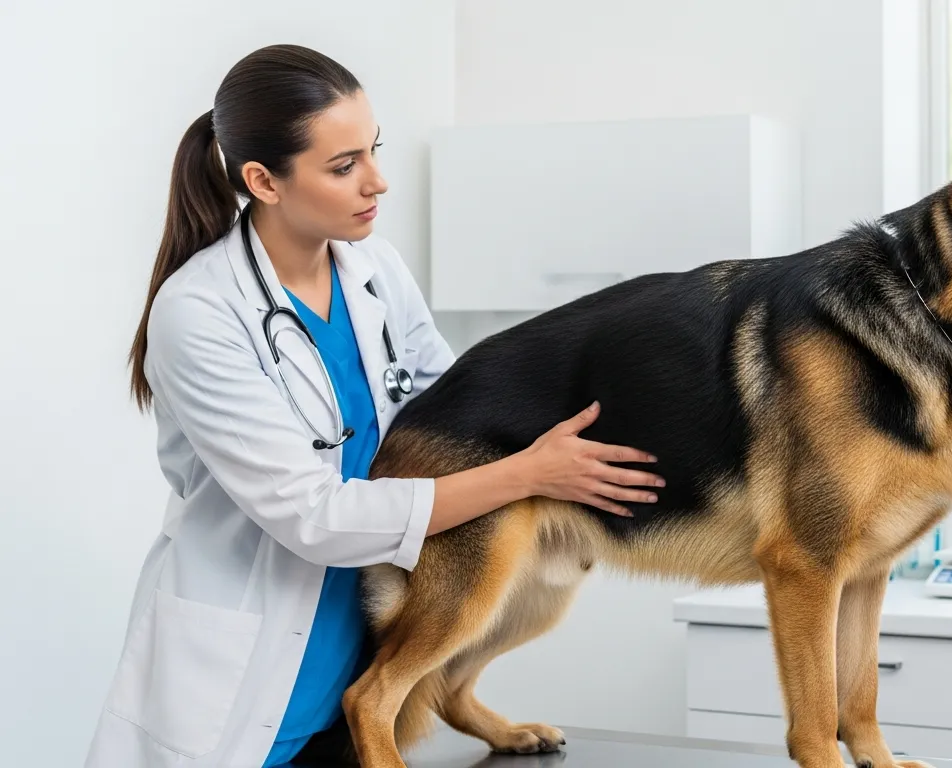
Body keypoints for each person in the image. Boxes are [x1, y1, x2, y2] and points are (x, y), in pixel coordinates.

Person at [85, 44, 665, 768]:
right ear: (263, 181)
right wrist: (528, 474)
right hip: (244, 696)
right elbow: (313, 517)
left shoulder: (373, 267)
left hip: (367, 666)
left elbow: (450, 409)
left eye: (373, 151)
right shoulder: (199, 313)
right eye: (343, 166)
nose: (377, 182)